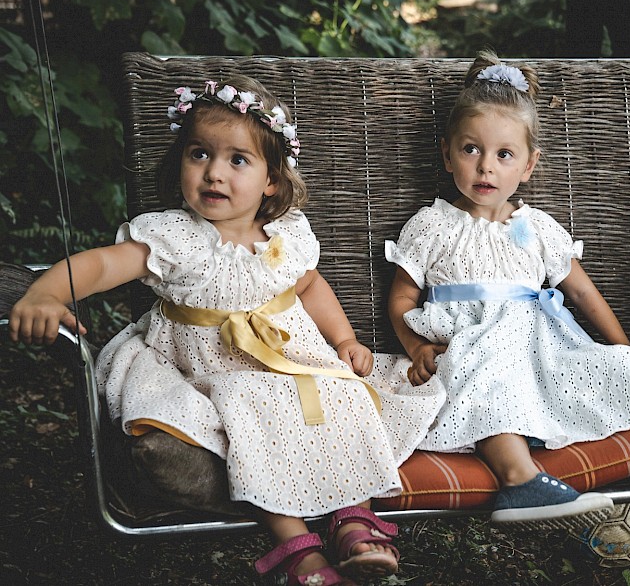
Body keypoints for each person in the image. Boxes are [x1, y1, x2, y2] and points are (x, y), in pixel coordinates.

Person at [9, 77, 445, 586]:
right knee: (251, 411)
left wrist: (344, 340)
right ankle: (298, 551)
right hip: (208, 366)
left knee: (342, 395)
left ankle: (354, 518)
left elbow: (311, 286)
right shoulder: (174, 235)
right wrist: (47, 292)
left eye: (238, 160)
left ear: (272, 182)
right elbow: (104, 266)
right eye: (199, 154)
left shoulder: (286, 235)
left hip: (292, 357)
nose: (214, 172)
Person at [384, 49, 630, 533]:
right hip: (467, 347)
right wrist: (417, 348)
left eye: (504, 154)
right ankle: (519, 480)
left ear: (529, 166)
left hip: (544, 348)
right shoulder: (432, 225)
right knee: (493, 373)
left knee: (615, 365)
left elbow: (582, 294)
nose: (486, 167)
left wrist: (623, 347)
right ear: (448, 152)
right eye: (471, 150)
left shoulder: (538, 227)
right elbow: (402, 301)